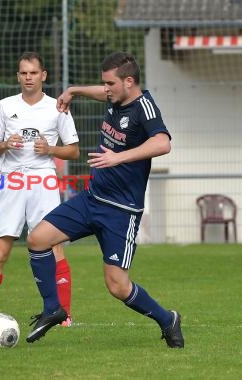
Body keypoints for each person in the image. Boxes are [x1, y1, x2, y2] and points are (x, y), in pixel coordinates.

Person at [24, 51, 184, 348]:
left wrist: (118, 158)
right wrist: (73, 91)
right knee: (37, 240)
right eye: (104, 84)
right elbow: (103, 92)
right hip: (92, 199)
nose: (106, 89)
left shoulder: (144, 108)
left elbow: (163, 143)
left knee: (118, 286)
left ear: (129, 81)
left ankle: (167, 319)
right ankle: (53, 309)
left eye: (110, 83)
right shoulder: (115, 96)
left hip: (121, 212)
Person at [0, 52, 80, 327]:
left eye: (33, 72)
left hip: (44, 181)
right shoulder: (5, 106)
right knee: (1, 250)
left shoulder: (57, 107)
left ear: (43, 75)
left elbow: (74, 151)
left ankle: (64, 314)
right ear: (18, 76)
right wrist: (7, 143)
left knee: (54, 247)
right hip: (13, 181)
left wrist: (51, 149)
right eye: (24, 73)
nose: (28, 77)